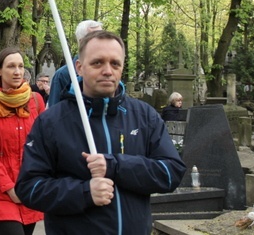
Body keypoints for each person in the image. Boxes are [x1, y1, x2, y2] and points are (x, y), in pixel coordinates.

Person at [15, 30, 186, 234]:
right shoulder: (51, 121)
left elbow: (171, 173)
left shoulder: (144, 116)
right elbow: (29, 188)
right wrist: (85, 192)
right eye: (97, 63)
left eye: (115, 63)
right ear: (79, 67)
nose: (107, 71)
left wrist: (115, 166)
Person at [0, 47, 44, 235]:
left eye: (21, 66)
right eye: (11, 66)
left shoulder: (35, 100)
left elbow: (44, 144)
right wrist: (9, 187)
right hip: (0, 188)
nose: (17, 72)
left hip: (29, 183)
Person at [47, 20, 102, 107]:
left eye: (103, 37)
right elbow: (53, 113)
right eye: (96, 38)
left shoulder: (107, 71)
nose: (102, 42)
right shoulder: (63, 75)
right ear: (82, 42)